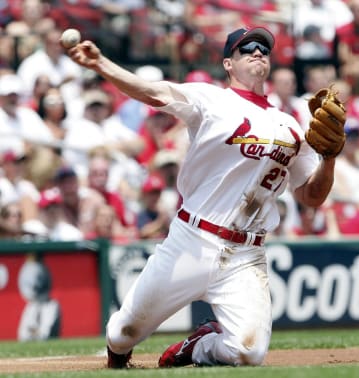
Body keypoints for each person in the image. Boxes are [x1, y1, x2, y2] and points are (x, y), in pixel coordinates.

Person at [65, 26, 339, 368]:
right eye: (246, 48)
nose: (257, 52)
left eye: (264, 49)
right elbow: (152, 92)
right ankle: (120, 356)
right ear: (228, 63)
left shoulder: (291, 126)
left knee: (248, 352)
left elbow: (312, 197)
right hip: (192, 240)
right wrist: (101, 65)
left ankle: (198, 347)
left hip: (245, 254)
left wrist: (329, 159)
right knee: (121, 334)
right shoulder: (211, 100)